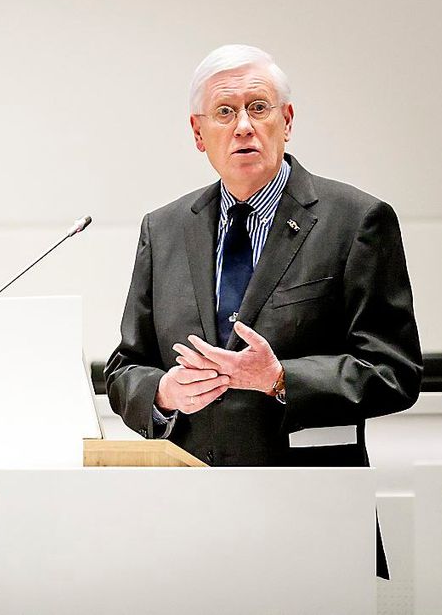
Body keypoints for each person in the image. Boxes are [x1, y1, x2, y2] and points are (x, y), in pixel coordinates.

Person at [104, 45, 422, 578]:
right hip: (189, 519)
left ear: (287, 120)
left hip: (314, 514)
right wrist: (162, 394)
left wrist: (279, 379)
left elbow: (395, 370)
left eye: (259, 107)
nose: (244, 126)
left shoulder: (356, 221)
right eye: (225, 112)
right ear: (199, 134)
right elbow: (124, 367)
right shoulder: (163, 230)